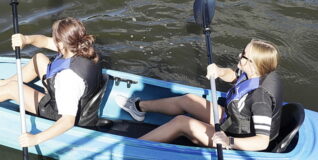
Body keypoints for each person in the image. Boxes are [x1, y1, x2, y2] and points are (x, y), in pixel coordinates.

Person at [115, 39, 283, 151]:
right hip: (230, 119)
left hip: (233, 137)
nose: (239, 56)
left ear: (254, 64)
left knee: (181, 123)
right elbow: (235, 77)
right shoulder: (254, 71)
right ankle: (138, 107)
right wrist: (219, 71)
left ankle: (132, 149)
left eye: (244, 55)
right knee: (188, 99)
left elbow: (262, 141)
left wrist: (228, 142)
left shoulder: (260, 99)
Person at [0, 17, 103, 147]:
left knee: (13, 88)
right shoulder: (82, 48)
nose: (53, 40)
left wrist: (35, 139)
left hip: (58, 112)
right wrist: (26, 39)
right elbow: (43, 41)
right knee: (39, 58)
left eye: (55, 38)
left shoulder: (68, 79)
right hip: (71, 93)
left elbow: (67, 121)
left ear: (61, 44)